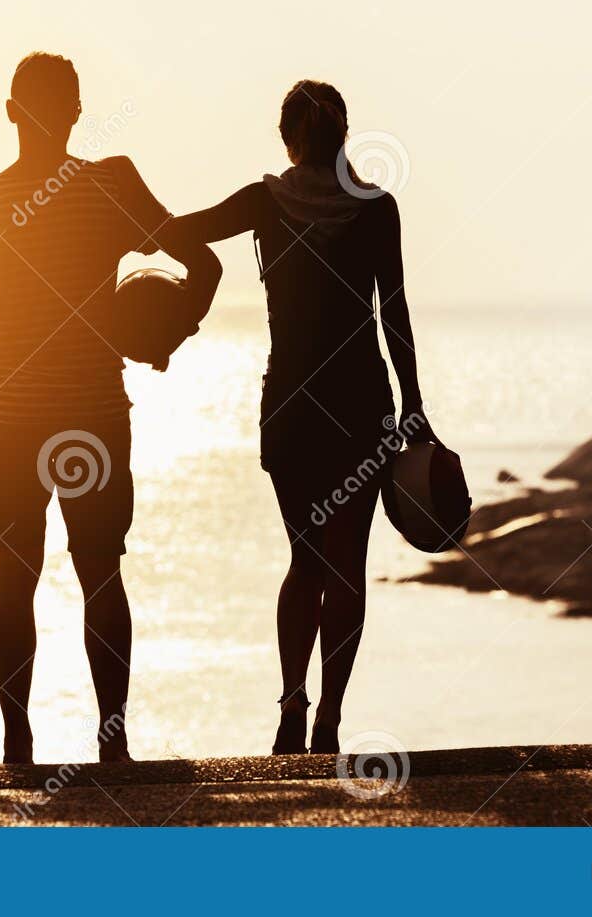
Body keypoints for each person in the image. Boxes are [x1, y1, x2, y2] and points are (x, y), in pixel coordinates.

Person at [0, 52, 219, 764]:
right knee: (101, 571)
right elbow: (204, 263)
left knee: (16, 576)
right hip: (90, 411)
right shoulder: (109, 187)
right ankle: (113, 741)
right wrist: (170, 334)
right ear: (74, 112)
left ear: (11, 111)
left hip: (8, 413)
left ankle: (17, 742)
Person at [155, 80, 436, 755]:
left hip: (291, 407)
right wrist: (415, 405)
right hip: (359, 406)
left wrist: (121, 217)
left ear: (288, 138)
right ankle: (330, 718)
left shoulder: (264, 202)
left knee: (303, 561)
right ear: (346, 137)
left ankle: (290, 703)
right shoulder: (375, 209)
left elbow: (179, 231)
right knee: (346, 566)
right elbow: (392, 312)